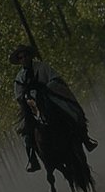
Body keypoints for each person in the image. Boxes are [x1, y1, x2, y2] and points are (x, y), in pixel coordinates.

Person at [11, 44, 98, 172]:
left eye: (25, 55)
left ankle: (85, 138)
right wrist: (27, 98)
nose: (23, 59)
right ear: (19, 60)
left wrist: (45, 88)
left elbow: (55, 79)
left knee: (71, 111)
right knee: (25, 131)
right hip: (32, 105)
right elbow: (19, 96)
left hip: (49, 98)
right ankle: (32, 159)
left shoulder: (42, 67)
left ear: (30, 56)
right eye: (20, 57)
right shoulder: (19, 78)